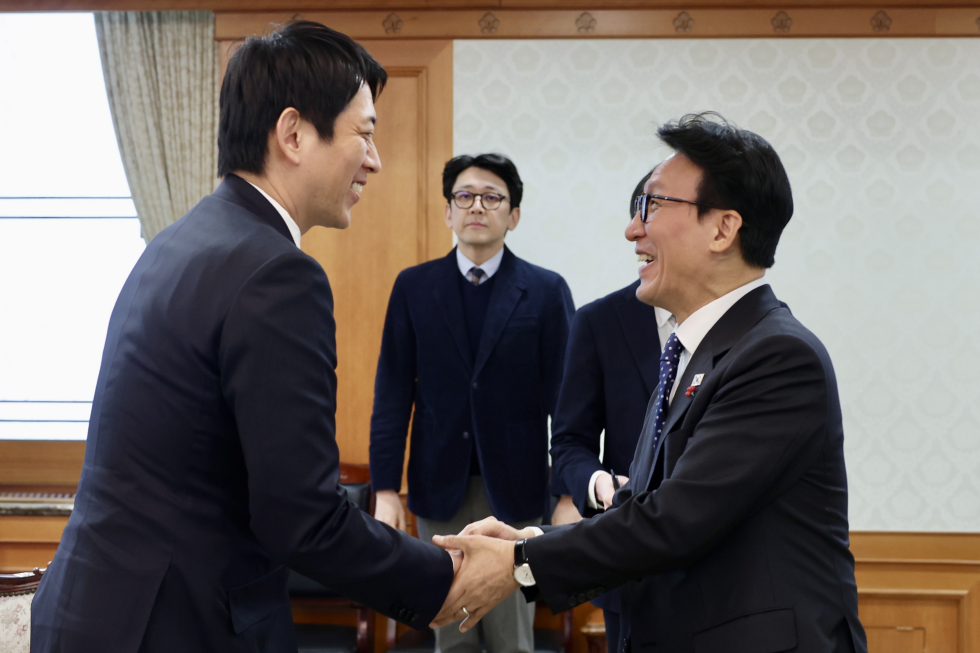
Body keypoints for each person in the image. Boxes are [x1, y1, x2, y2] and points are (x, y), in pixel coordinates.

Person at [31, 21, 457, 653]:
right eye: (364, 133)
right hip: (175, 625)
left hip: (100, 612)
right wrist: (450, 575)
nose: (375, 158)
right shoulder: (277, 274)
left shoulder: (182, 239)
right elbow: (304, 520)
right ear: (293, 134)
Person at [431, 113, 868, 653]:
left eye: (654, 206)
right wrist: (533, 538)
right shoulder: (691, 350)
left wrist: (521, 565)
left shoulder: (777, 357)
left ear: (723, 228)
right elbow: (641, 506)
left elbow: (673, 522)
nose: (632, 229)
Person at [369, 153, 574, 653]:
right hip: (439, 485)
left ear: (513, 214)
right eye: (464, 196)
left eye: (492, 197)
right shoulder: (414, 287)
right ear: (448, 212)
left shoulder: (546, 292)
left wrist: (568, 491)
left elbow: (568, 403)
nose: (476, 206)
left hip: (519, 487)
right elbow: (393, 393)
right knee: (449, 627)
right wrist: (385, 490)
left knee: (511, 636)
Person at [548, 169, 673, 653]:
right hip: (628, 568)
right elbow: (570, 444)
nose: (636, 233)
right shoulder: (599, 321)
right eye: (636, 214)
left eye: (653, 213)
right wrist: (598, 484)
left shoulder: (744, 335)